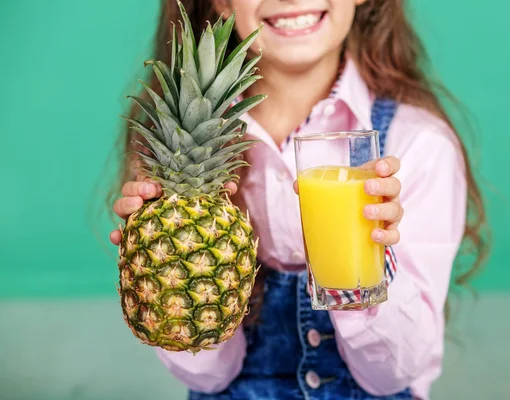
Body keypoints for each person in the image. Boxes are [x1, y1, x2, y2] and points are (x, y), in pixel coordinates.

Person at [109, 1, 487, 399]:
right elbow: (207, 378)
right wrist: (169, 271)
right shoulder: (178, 153)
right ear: (222, 2)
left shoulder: (417, 145)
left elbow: (391, 377)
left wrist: (361, 265)